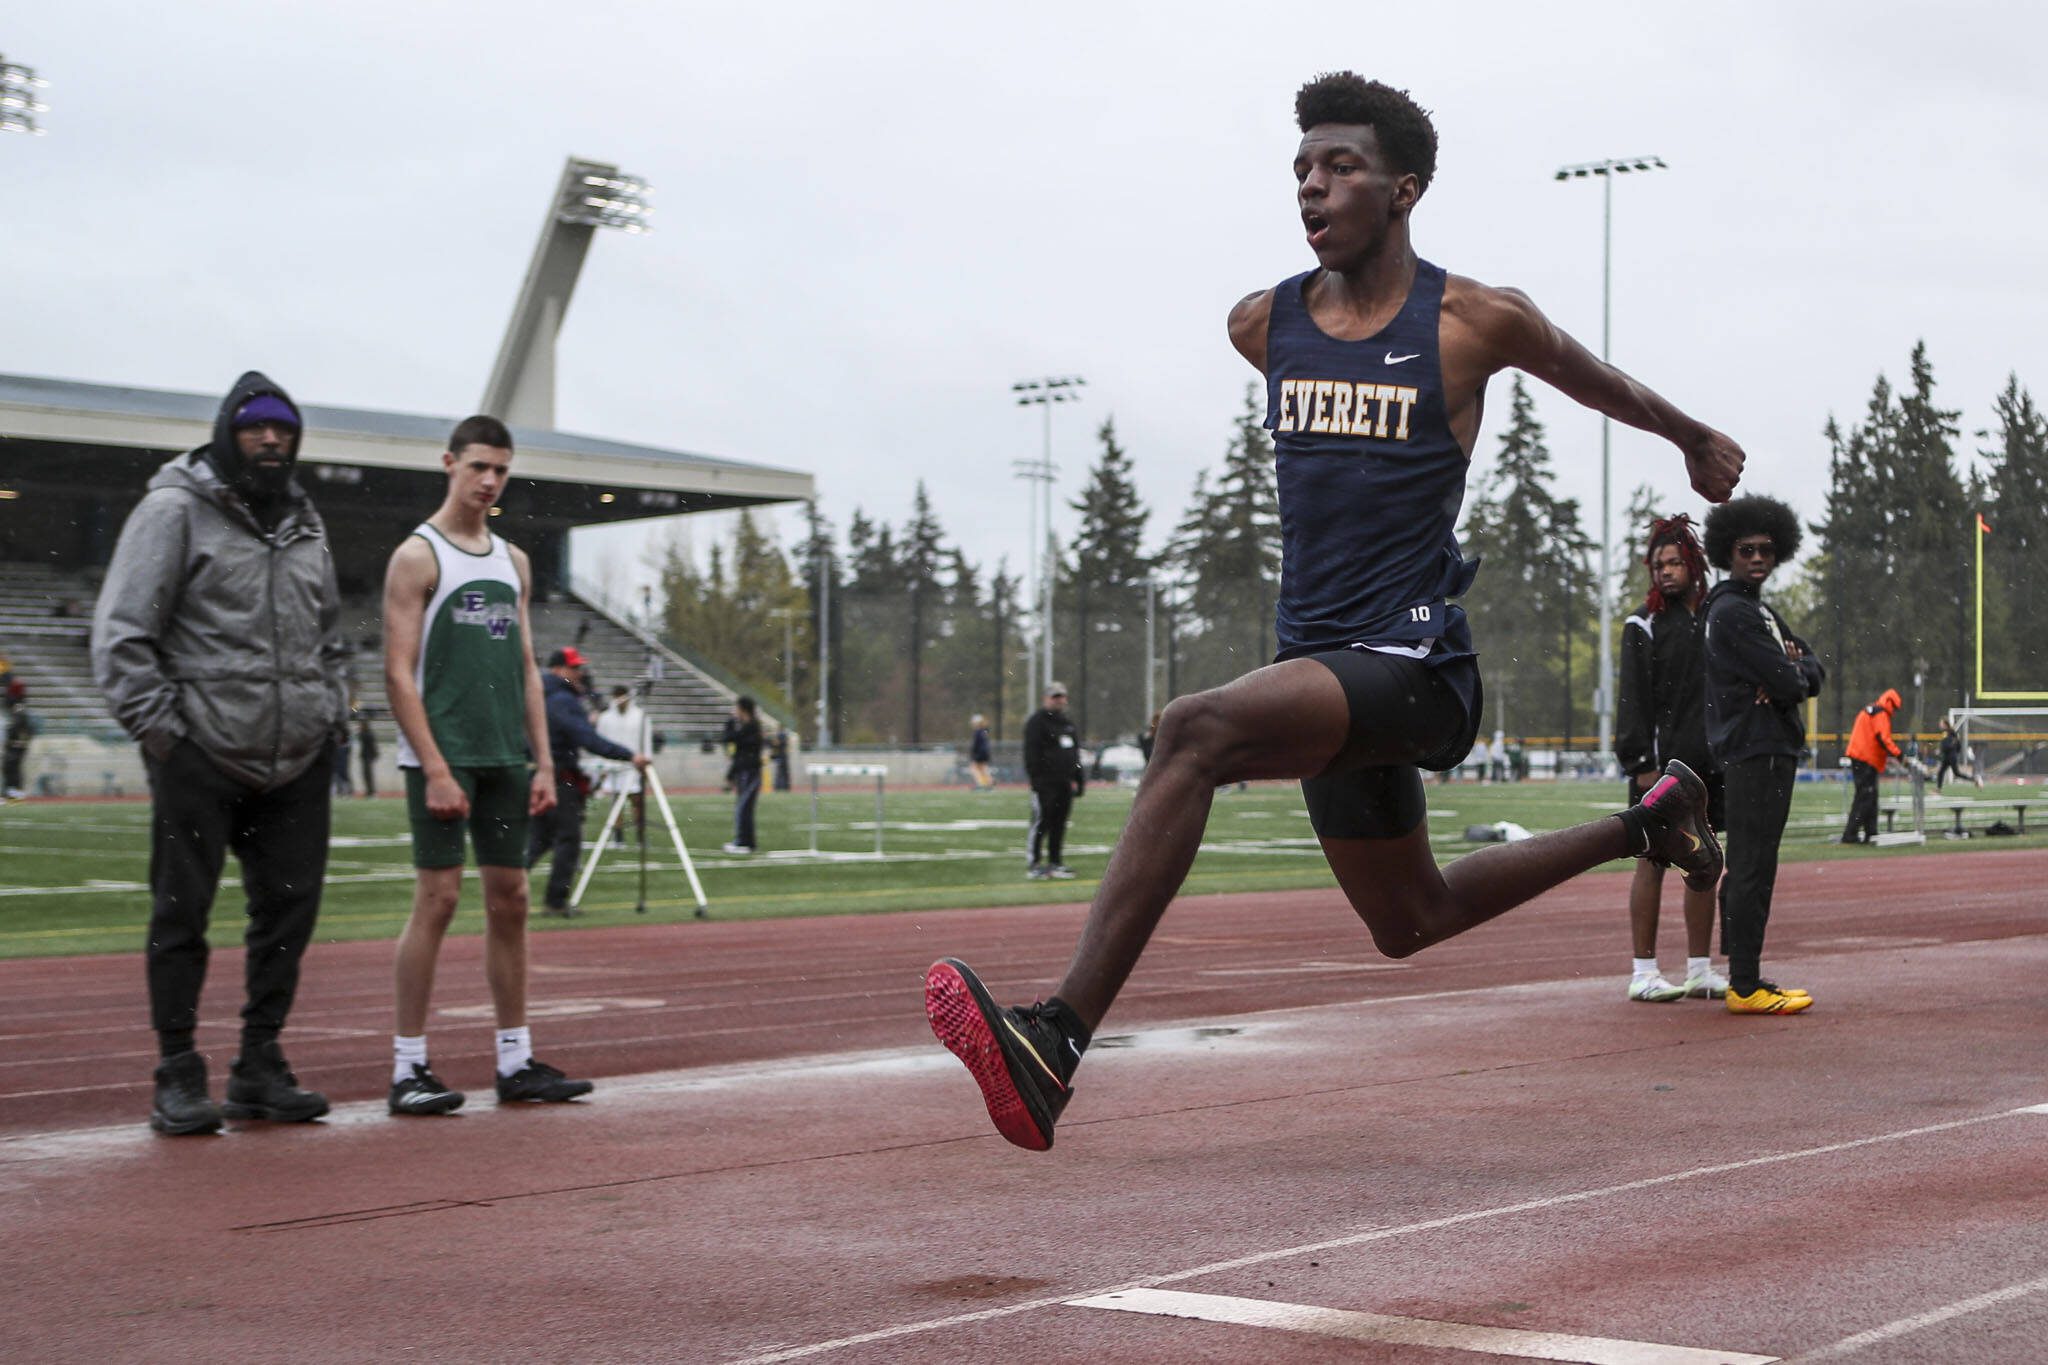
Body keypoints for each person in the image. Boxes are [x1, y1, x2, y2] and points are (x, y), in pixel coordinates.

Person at [924, 73, 1742, 1151]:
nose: (1312, 188)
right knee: (1411, 921)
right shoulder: (1261, 325)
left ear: (1401, 191)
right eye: (1301, 171)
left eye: (1339, 168)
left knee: (1192, 730)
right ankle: (1649, 820)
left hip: (1415, 666)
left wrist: (1688, 438)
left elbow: (1589, 380)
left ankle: (1056, 1038)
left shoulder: (1469, 319)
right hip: (1321, 666)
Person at [92, 371, 343, 1134]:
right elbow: (121, 634)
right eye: (255, 429)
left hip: (297, 759)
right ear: (226, 434)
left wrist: (331, 710)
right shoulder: (172, 511)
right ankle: (177, 1069)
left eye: (283, 431)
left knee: (286, 919)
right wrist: (170, 738)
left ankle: (259, 1065)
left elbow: (331, 633)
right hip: (201, 753)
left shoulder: (306, 522)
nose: (271, 441)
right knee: (181, 915)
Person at [384, 416, 622, 1116]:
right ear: (450, 463)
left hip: (506, 758)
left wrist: (544, 761)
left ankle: (515, 1060)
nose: (489, 481)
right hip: (443, 756)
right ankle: (408, 1066)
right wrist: (433, 766)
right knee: (438, 900)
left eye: (501, 471)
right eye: (478, 467)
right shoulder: (417, 556)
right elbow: (398, 673)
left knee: (512, 902)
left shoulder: (513, 561)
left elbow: (524, 666)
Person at [1703, 495, 1825, 1015]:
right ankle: (1745, 984)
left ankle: (1744, 974)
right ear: (1728, 552)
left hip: (1768, 748)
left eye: (1766, 551)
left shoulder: (1758, 609)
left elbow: (1810, 670)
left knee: (1755, 863)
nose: (1757, 559)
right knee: (1752, 865)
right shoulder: (1732, 610)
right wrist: (1787, 675)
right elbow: (1790, 680)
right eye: (1747, 550)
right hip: (1757, 750)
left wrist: (1793, 673)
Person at [1614, 515, 1727, 1003]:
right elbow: (1632, 699)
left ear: (1693, 565)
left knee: (1705, 862)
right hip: (1661, 768)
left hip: (1712, 764)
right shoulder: (1644, 623)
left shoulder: (1717, 617)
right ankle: (1644, 971)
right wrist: (1641, 766)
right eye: (1658, 564)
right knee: (1652, 862)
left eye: (1675, 562)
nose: (1665, 572)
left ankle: (1701, 970)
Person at [528, 647, 646, 915]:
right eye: (574, 668)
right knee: (567, 837)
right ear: (559, 670)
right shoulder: (562, 700)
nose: (580, 673)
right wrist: (628, 755)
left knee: (539, 839)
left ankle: (505, 891)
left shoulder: (540, 695)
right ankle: (555, 902)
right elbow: (586, 738)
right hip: (559, 775)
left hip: (539, 772)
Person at [1022, 682, 1083, 880]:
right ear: (1046, 698)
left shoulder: (1067, 723)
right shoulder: (1037, 722)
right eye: (1055, 696)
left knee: (1059, 823)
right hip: (1045, 782)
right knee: (1041, 822)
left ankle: (1055, 862)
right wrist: (1036, 779)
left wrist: (1079, 779)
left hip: (1064, 782)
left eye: (1061, 696)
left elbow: (1075, 753)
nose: (1059, 700)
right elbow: (1031, 753)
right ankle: (1034, 863)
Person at [1840, 688, 1903, 844]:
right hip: (1865, 759)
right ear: (1890, 703)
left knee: (1869, 796)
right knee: (1865, 797)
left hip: (1862, 757)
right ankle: (1851, 834)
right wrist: (1900, 755)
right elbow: (1883, 738)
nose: (1893, 712)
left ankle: (1871, 831)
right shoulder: (1880, 713)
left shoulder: (1872, 710)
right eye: (1894, 707)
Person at [722, 696, 763, 854]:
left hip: (750, 773)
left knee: (743, 807)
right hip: (744, 772)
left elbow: (731, 739)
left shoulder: (751, 727)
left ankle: (743, 842)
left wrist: (730, 723)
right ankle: (746, 841)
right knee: (743, 807)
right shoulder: (748, 727)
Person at [2, 686, 37, 800]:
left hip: (16, 746)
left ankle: (14, 791)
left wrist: (20, 742)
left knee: (12, 767)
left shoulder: (20, 712)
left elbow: (25, 730)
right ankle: (12, 791)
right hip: (16, 745)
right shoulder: (20, 712)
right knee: (11, 767)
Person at [355, 713, 380, 797]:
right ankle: (369, 791)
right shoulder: (366, 733)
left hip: (368, 756)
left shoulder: (367, 734)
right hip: (366, 756)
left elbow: (372, 746)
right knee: (366, 775)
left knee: (368, 775)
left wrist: (375, 755)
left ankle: (371, 791)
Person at [968, 714, 995, 790]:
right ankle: (990, 782)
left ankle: (981, 784)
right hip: (985, 753)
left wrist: (974, 755)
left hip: (980, 753)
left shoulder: (978, 732)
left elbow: (976, 745)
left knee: (973, 768)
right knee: (983, 768)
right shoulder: (984, 731)